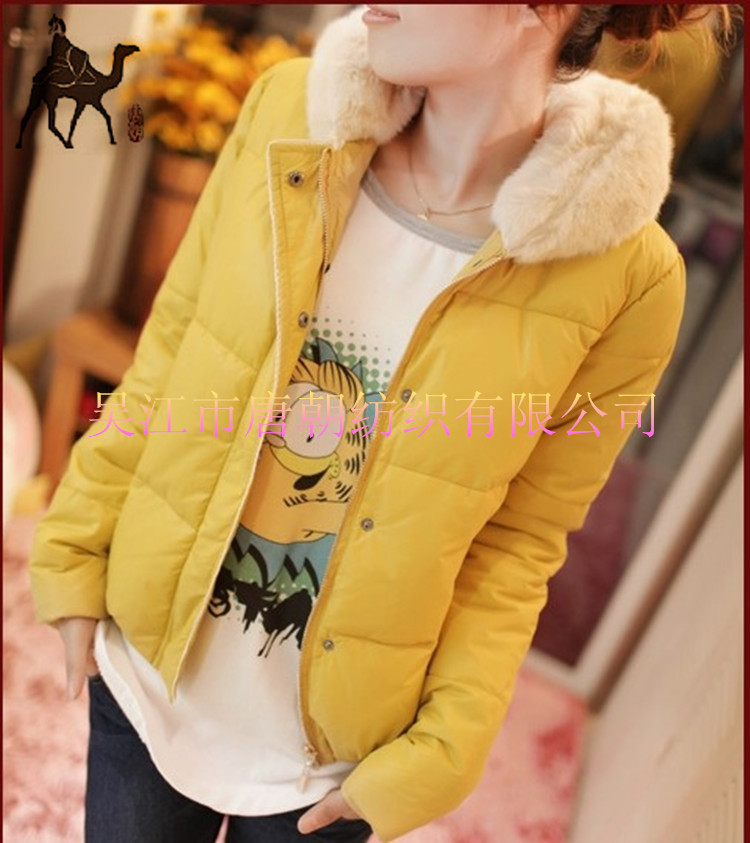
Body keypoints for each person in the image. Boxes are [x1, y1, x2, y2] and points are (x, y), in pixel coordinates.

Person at [29, 5, 737, 843]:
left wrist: (441, 751)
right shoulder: (290, 113)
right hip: (148, 664)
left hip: (329, 759)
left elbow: (520, 541)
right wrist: (75, 548)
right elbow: (173, 352)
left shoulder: (628, 278)